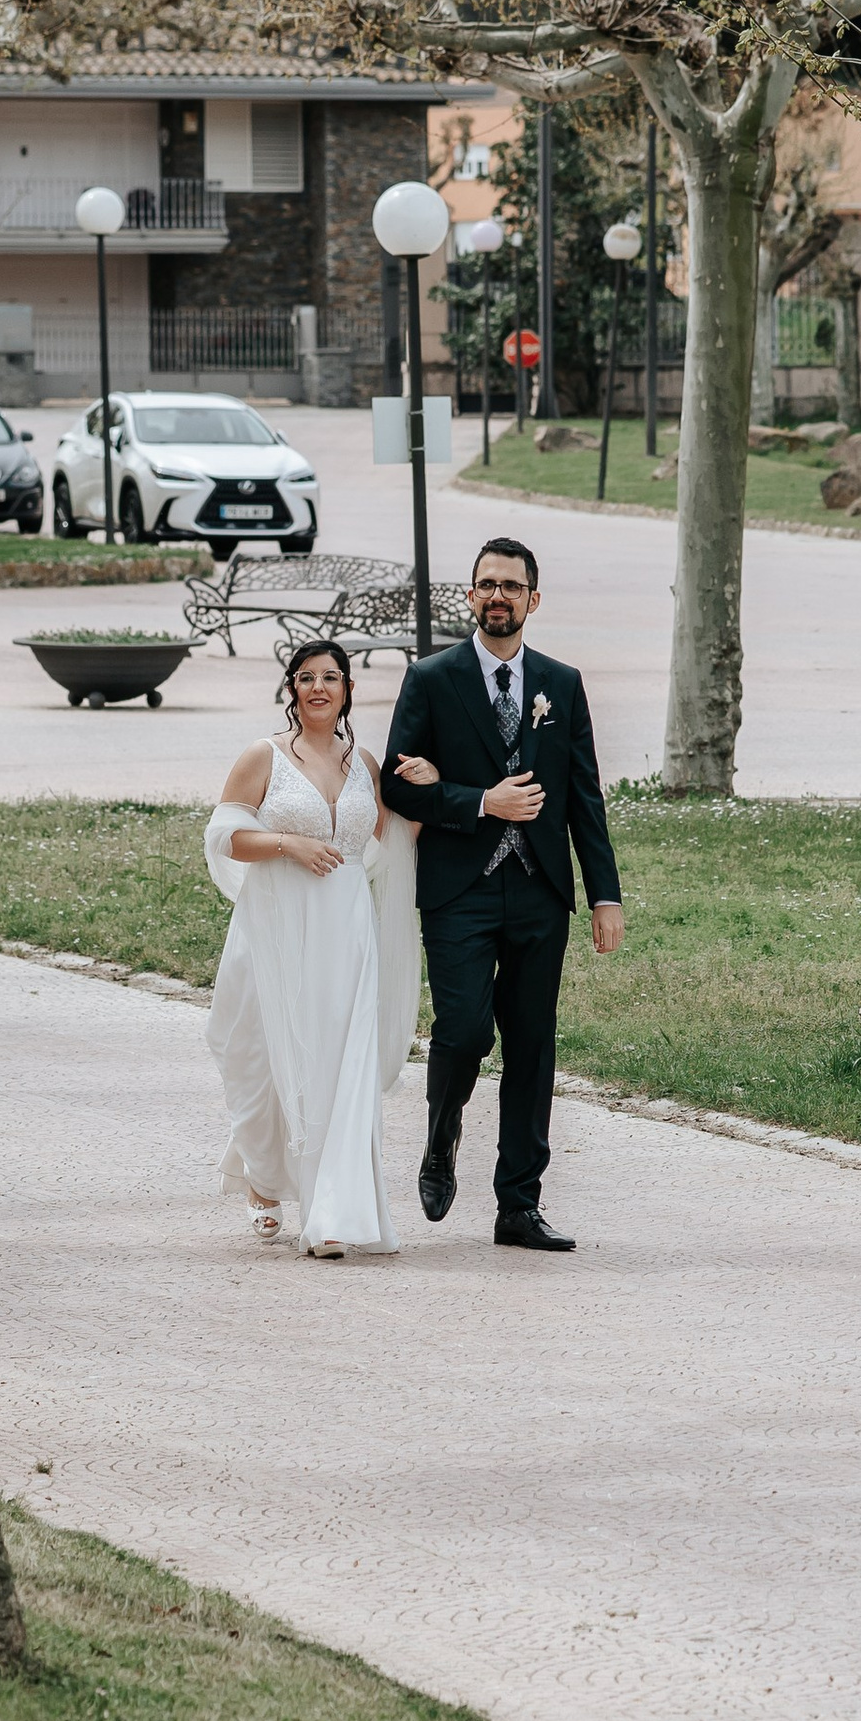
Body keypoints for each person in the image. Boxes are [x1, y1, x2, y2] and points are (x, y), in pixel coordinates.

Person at [387, 536, 622, 1250]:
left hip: (539, 892)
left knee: (532, 1047)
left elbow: (585, 797)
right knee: (462, 1031)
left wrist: (604, 895)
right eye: (486, 584)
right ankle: (442, 1130)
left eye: (511, 586)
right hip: (460, 889)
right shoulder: (431, 679)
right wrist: (480, 801)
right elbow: (396, 785)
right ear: (470, 596)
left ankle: (518, 1204)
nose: (498, 596)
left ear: (532, 600)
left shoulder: (562, 682)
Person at [204, 639, 422, 1259]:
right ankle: (264, 1177)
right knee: (267, 1058)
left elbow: (395, 834)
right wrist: (287, 843)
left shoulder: (366, 764)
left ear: (348, 690)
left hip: (346, 929)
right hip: (275, 925)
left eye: (331, 677)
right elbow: (226, 836)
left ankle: (332, 1209)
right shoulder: (263, 756)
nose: (319, 687)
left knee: (341, 1061)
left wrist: (429, 785)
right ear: (292, 689)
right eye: (307, 678)